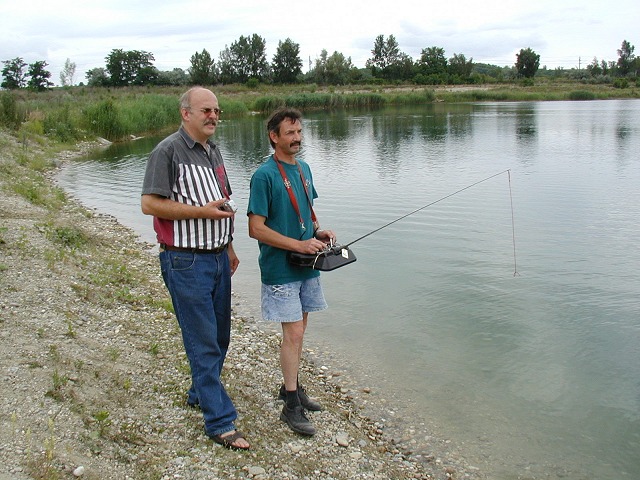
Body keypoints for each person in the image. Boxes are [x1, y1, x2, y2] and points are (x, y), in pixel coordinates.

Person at [141, 87, 249, 450]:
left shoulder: (214, 152)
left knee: (220, 337)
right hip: (185, 259)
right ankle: (219, 421)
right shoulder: (167, 151)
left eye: (217, 111)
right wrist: (201, 213)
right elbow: (149, 204)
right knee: (203, 341)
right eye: (206, 110)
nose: (213, 117)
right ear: (185, 113)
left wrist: (229, 247)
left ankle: (198, 392)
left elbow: (225, 204)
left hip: (218, 257)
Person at [247, 107, 336, 436]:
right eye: (290, 133)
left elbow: (305, 213)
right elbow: (255, 229)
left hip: (307, 265)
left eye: (299, 132)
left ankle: (292, 387)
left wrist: (318, 233)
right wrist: (296, 245)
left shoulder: (305, 169)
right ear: (274, 136)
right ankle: (290, 405)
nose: (297, 138)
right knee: (293, 334)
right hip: (280, 268)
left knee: (300, 332)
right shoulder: (264, 175)